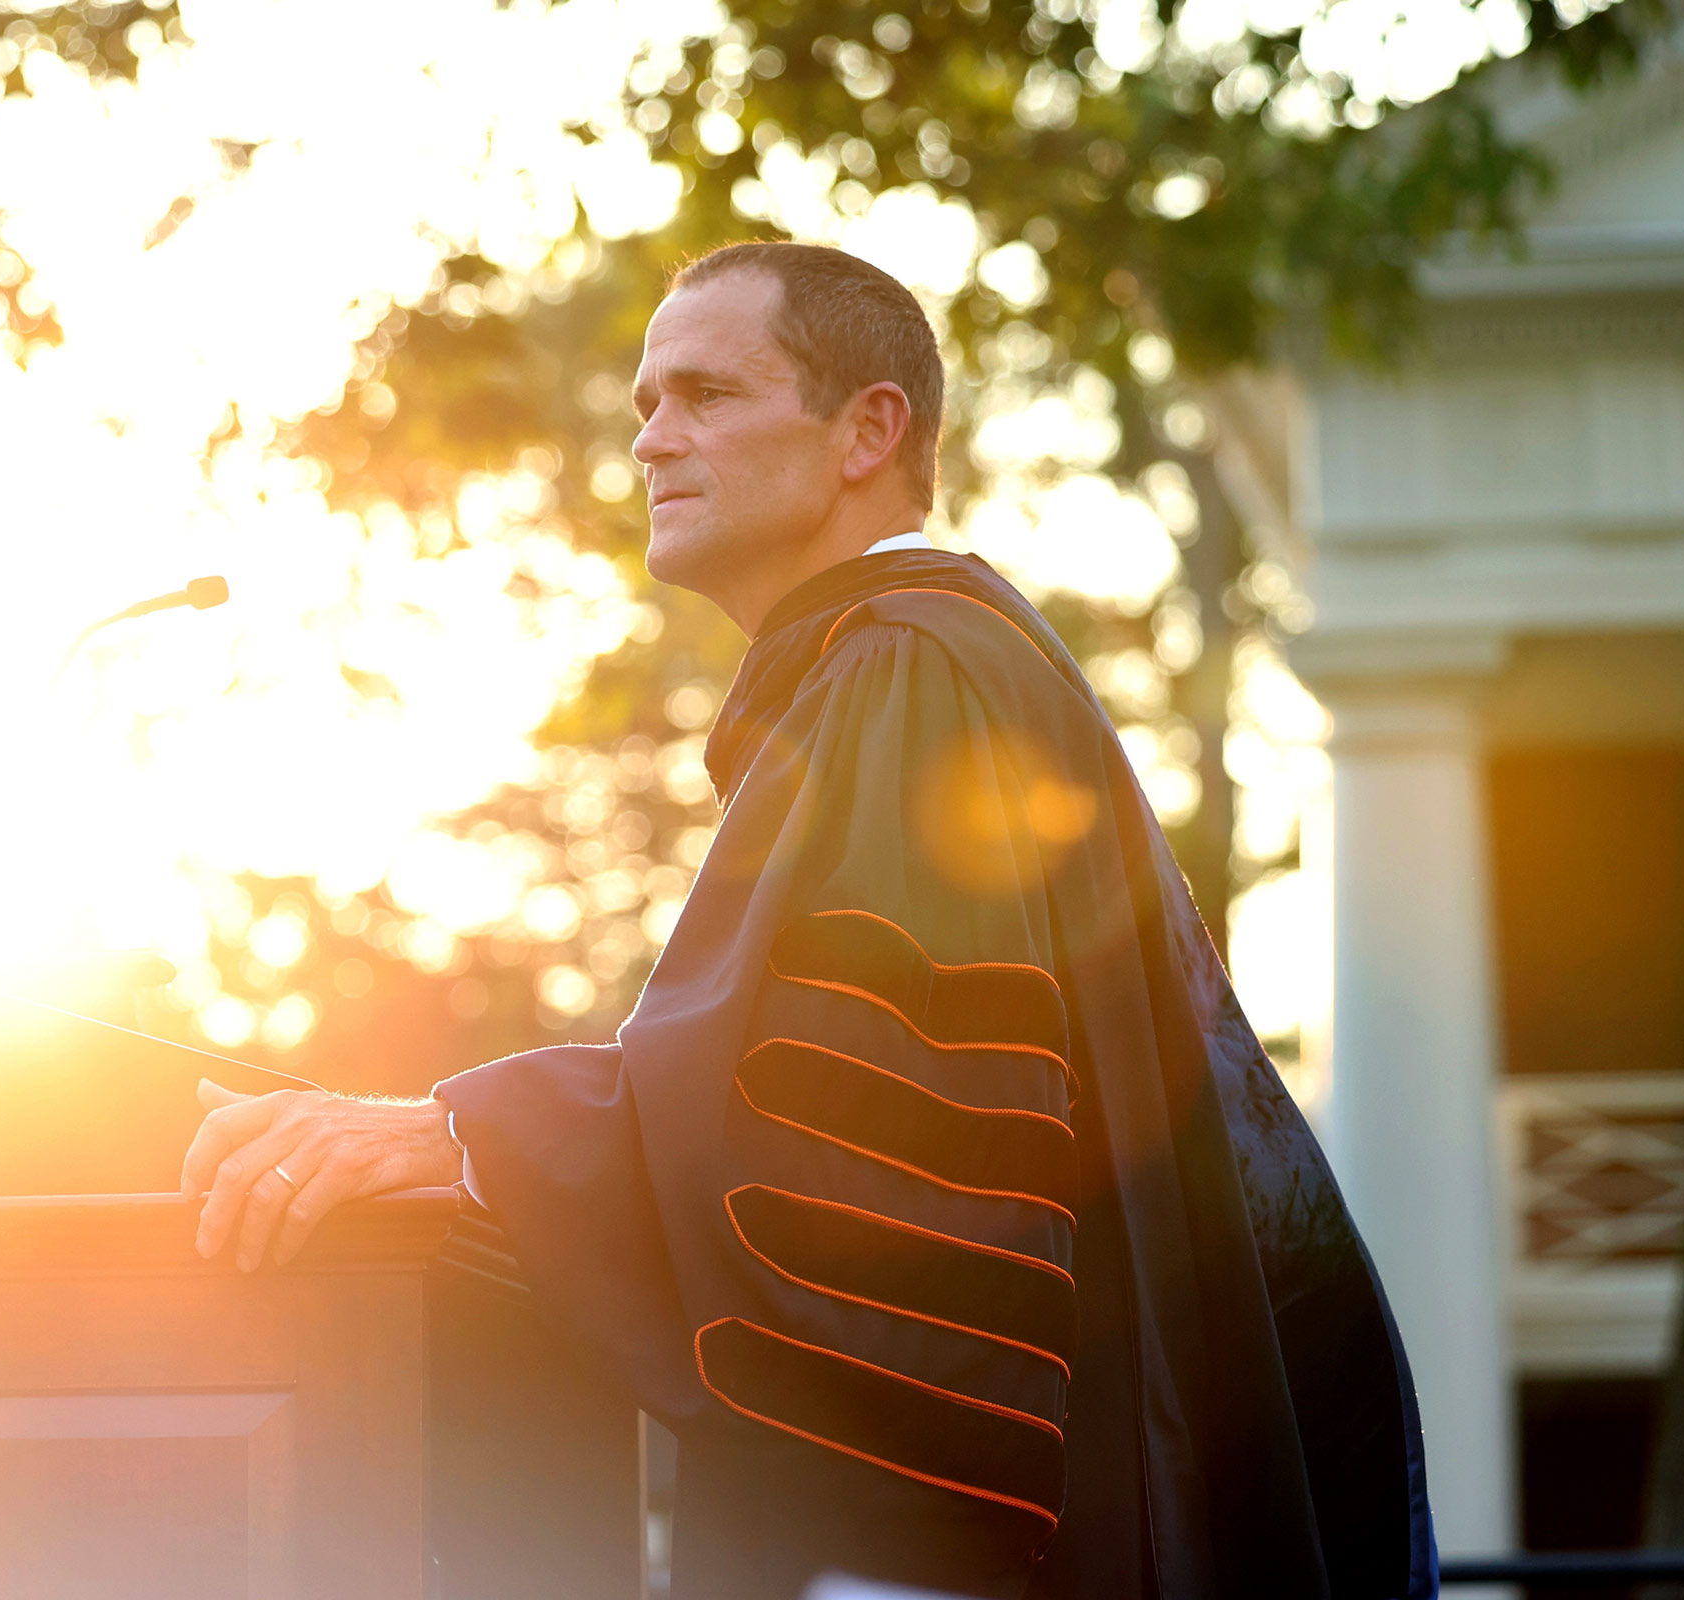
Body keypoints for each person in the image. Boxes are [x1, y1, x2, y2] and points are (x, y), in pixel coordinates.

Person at [179, 241, 1434, 1599]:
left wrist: (467, 1135)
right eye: (647, 401)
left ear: (868, 430)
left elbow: (853, 1134)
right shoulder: (930, 664)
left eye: (708, 393)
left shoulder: (908, 669)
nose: (655, 438)